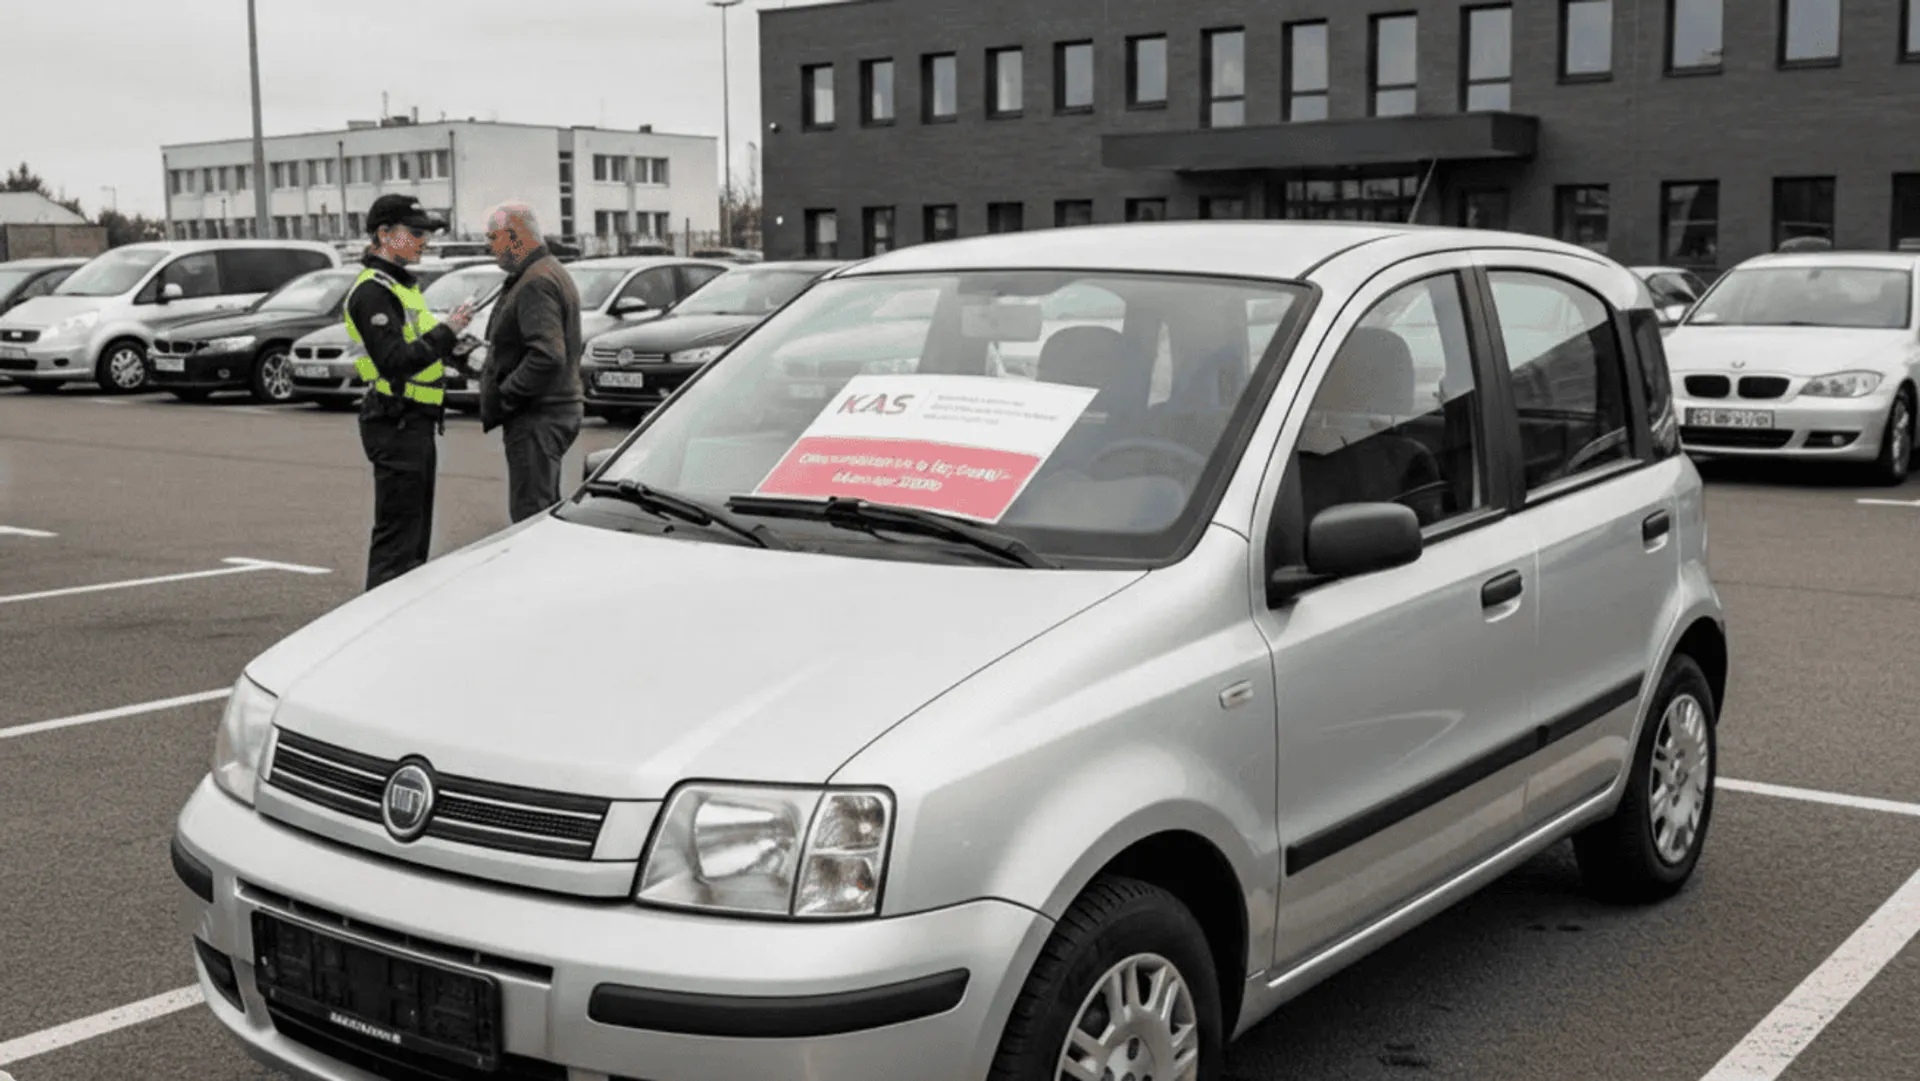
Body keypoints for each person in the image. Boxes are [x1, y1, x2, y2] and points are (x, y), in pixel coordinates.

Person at [345, 193, 475, 590]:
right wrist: (447, 331)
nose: (425, 241)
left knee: (414, 539)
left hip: (413, 421)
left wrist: (457, 348)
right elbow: (394, 361)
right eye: (415, 233)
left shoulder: (400, 286)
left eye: (426, 233)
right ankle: (379, 617)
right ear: (384, 234)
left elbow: (420, 350)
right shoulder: (373, 291)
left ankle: (400, 612)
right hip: (395, 420)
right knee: (398, 542)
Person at [478, 202, 585, 523]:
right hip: (549, 411)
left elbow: (547, 355)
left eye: (493, 238)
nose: (490, 247)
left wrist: (506, 395)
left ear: (514, 237)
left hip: (539, 415)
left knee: (531, 516)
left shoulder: (536, 281)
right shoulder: (543, 272)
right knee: (541, 507)